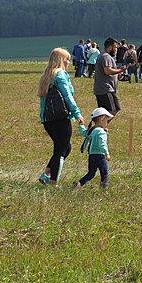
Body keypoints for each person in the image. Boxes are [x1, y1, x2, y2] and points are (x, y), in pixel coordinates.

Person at [38, 47, 84, 186]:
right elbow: (67, 96)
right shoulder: (60, 74)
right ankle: (54, 183)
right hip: (61, 118)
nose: (69, 62)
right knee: (60, 150)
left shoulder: (46, 75)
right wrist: (77, 114)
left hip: (48, 119)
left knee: (65, 147)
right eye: (67, 60)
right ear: (60, 61)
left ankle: (46, 174)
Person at [74, 107, 113, 189]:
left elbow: (84, 133)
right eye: (106, 120)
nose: (107, 123)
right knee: (104, 173)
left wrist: (81, 125)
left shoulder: (92, 129)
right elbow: (102, 144)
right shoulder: (101, 132)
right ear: (102, 119)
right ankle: (103, 189)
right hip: (100, 156)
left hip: (91, 155)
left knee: (91, 173)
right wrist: (107, 154)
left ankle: (79, 183)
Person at [94, 38, 123, 117]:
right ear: (110, 47)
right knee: (114, 109)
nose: (116, 49)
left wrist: (117, 75)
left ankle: (99, 127)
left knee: (103, 112)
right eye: (115, 47)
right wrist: (120, 70)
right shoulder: (105, 56)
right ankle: (100, 126)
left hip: (102, 88)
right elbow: (107, 71)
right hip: (106, 88)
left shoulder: (103, 56)